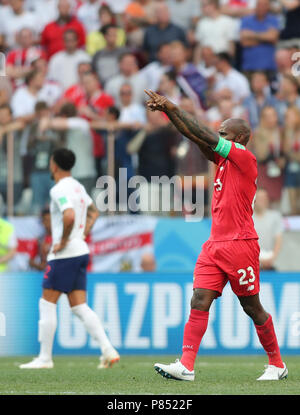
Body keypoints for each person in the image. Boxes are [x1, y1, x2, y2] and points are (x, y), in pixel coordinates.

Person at [145, 89, 287, 381]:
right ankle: (186, 365)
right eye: (219, 131)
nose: (219, 135)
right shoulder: (222, 162)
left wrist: (173, 105)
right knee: (199, 300)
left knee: (252, 307)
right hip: (214, 245)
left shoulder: (245, 158)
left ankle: (277, 364)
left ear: (238, 138)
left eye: (225, 132)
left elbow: (207, 136)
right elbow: (198, 136)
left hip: (241, 245)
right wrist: (168, 112)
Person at [19, 148, 119, 369]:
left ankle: (45, 358)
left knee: (46, 303)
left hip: (65, 254)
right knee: (79, 306)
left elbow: (69, 214)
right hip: (81, 250)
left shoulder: (59, 189)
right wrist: (82, 233)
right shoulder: (78, 187)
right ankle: (108, 349)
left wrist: (64, 240)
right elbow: (94, 212)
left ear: (53, 164)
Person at [253, 188, 283, 270]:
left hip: (271, 262)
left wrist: (272, 257)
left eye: (264, 198)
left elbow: (278, 239)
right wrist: (257, 259)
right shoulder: (247, 218)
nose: (262, 200)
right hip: (251, 263)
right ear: (254, 199)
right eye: (259, 198)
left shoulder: (275, 216)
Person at [29, 207, 52, 271]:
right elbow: (31, 261)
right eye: (45, 220)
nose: (48, 224)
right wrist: (40, 266)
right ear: (42, 222)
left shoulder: (62, 239)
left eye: (50, 220)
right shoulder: (40, 240)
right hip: (44, 275)